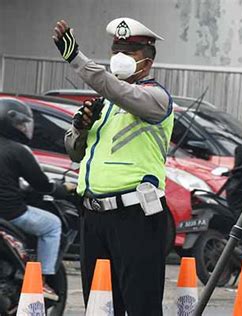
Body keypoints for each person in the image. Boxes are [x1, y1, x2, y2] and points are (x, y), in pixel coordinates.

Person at [53, 18, 174, 315]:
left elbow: (119, 91)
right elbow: (74, 152)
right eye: (117, 49)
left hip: (135, 217)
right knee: (99, 307)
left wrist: (77, 60)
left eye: (130, 51)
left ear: (147, 60)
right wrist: (81, 128)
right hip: (94, 219)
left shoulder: (154, 98)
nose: (120, 57)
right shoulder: (106, 104)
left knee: (141, 306)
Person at [0, 97, 75, 300]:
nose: (24, 128)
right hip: (11, 213)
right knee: (52, 224)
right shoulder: (18, 150)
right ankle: (41, 280)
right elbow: (41, 185)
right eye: (21, 124)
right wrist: (64, 188)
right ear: (10, 123)